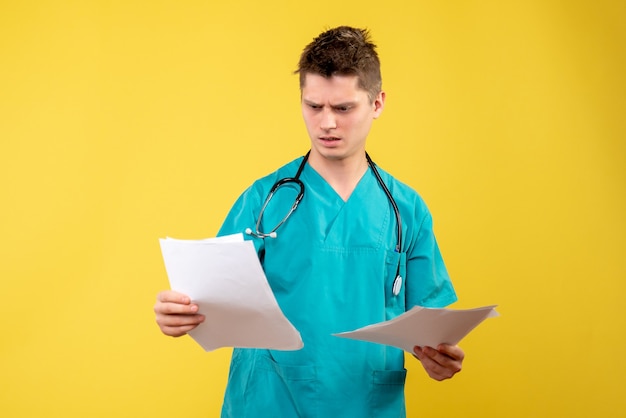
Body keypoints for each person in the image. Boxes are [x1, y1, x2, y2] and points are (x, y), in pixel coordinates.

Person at [154, 26, 464, 417]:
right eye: (313, 106)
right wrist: (177, 314)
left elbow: (431, 332)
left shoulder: (407, 210)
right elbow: (208, 302)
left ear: (378, 103)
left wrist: (440, 361)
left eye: (343, 108)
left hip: (366, 405)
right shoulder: (265, 199)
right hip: (270, 402)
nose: (326, 123)